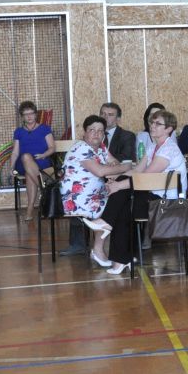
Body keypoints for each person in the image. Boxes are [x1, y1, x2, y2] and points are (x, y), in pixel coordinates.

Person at [100, 108, 188, 265]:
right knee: (124, 203)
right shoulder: (153, 146)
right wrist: (117, 180)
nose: (152, 126)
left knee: (124, 204)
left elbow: (145, 177)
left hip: (166, 203)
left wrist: (119, 186)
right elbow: (136, 171)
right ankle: (119, 256)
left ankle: (114, 245)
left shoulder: (169, 149)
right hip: (152, 196)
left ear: (169, 129)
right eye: (152, 122)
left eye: (158, 124)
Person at [60, 115, 134, 275]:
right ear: (84, 132)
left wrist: (114, 171)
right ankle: (105, 251)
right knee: (118, 204)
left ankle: (117, 254)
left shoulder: (101, 147)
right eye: (92, 130)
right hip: (76, 197)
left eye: (100, 131)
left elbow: (113, 163)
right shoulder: (81, 148)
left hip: (95, 193)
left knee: (121, 198)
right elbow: (101, 171)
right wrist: (125, 167)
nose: (96, 134)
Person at [9, 100, 55, 220]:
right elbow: (15, 152)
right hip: (23, 163)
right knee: (25, 157)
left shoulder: (45, 129)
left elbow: (52, 148)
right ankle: (45, 191)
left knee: (29, 173)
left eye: (31, 113)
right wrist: (11, 167)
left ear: (35, 114)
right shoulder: (18, 132)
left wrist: (44, 155)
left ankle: (29, 210)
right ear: (22, 117)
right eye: (26, 114)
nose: (29, 116)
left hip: (41, 161)